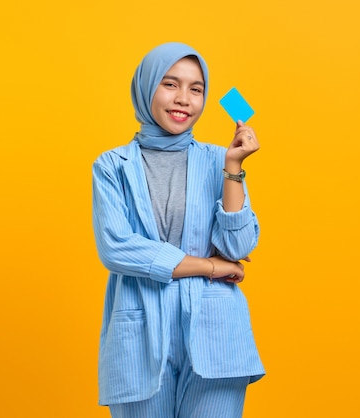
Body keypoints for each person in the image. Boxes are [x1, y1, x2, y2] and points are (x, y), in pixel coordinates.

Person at [91, 42, 265, 418]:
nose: (184, 99)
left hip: (216, 333)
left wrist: (233, 166)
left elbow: (236, 245)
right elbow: (117, 249)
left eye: (196, 89)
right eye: (170, 84)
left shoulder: (219, 159)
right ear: (146, 87)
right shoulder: (112, 166)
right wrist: (210, 267)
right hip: (139, 337)